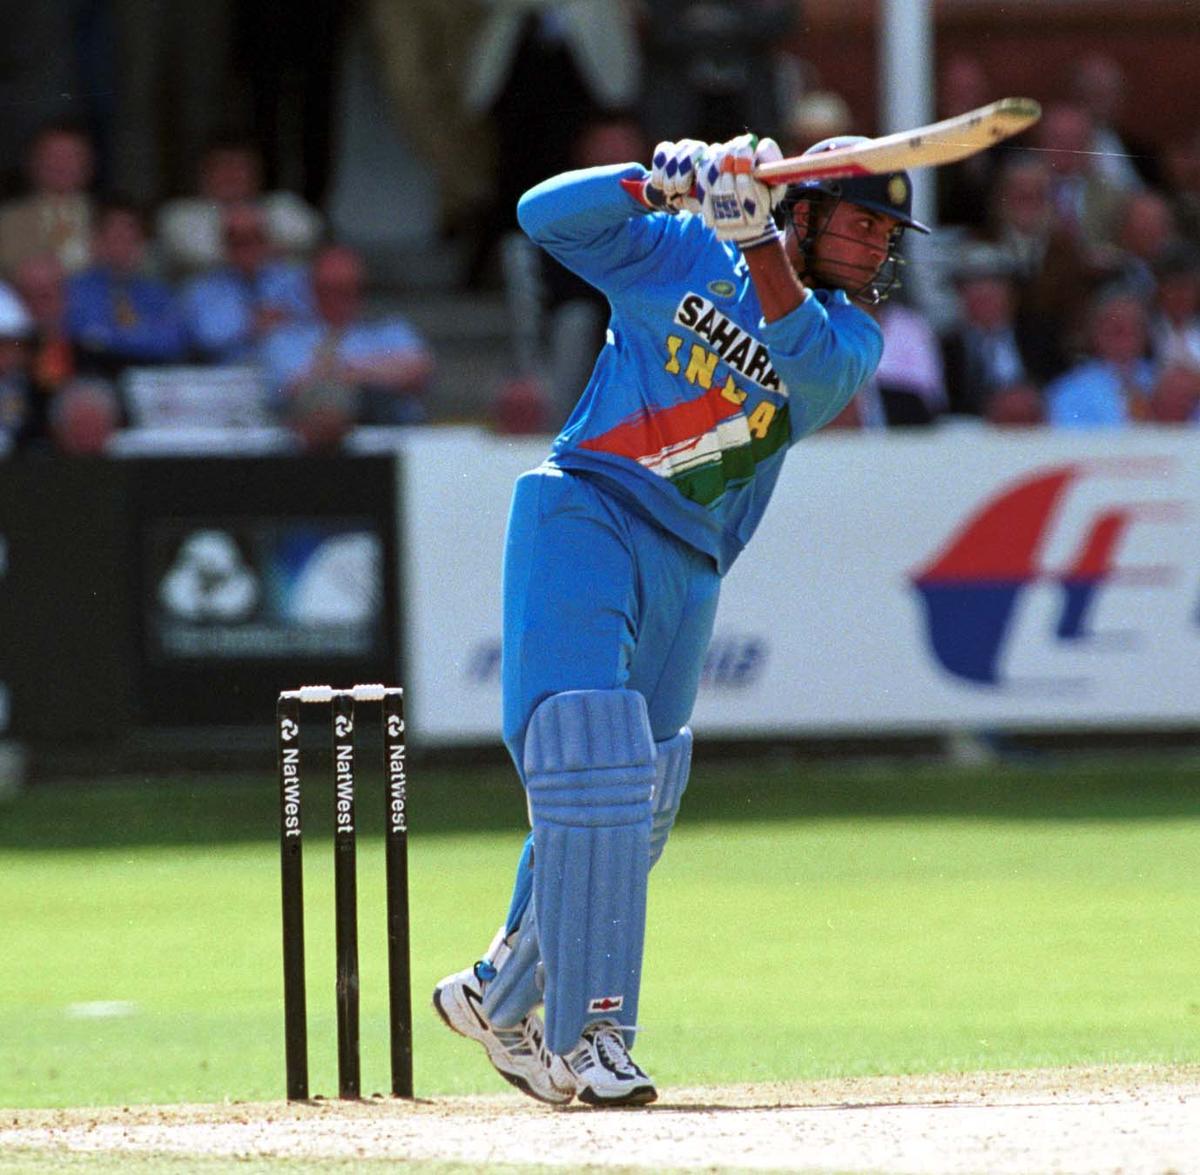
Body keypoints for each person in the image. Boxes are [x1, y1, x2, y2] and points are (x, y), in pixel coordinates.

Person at [432, 131, 925, 1105]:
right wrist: (655, 183)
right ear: (806, 209)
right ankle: (589, 1037)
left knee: (641, 794)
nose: (876, 247)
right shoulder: (679, 250)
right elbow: (542, 217)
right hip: (588, 505)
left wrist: (758, 244)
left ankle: (499, 994)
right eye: (862, 222)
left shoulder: (848, 339)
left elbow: (802, 363)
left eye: (885, 233)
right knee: (591, 755)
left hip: (693, 559)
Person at [260, 243, 434, 428]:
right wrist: (378, 371)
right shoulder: (286, 338)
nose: (337, 298)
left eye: (347, 289)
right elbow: (291, 388)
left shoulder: (388, 329)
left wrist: (346, 371)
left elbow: (419, 372)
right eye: (328, 289)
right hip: (314, 438)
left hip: (393, 433)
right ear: (312, 289)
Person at [64, 197, 188, 379]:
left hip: (151, 378)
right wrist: (143, 334)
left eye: (131, 239)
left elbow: (172, 342)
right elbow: (84, 339)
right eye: (115, 239)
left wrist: (115, 336)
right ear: (95, 243)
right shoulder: (74, 290)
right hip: (95, 376)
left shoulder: (158, 292)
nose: (122, 248)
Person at [181, 202, 314, 364]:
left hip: (289, 371)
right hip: (229, 372)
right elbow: (205, 336)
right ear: (224, 245)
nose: (247, 249)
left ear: (267, 241)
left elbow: (315, 322)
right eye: (238, 242)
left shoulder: (295, 279)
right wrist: (250, 323)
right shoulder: (203, 288)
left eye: (254, 239)